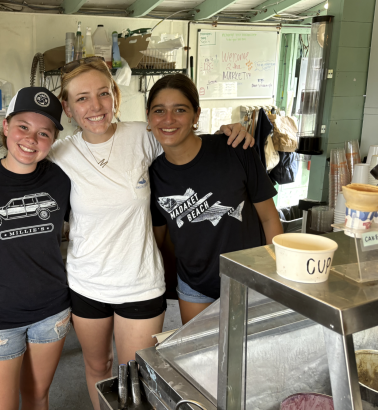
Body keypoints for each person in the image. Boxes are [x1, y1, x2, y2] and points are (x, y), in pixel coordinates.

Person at [48, 56, 255, 409]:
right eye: (82, 98)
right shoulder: (58, 154)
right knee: (98, 367)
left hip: (140, 283)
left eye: (103, 94)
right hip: (86, 284)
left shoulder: (142, 136)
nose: (95, 106)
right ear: (67, 107)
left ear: (115, 95)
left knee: (137, 376)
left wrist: (230, 131)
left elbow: (186, 139)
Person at [147, 74, 283, 325]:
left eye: (180, 109)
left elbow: (268, 216)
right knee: (200, 357)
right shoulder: (153, 175)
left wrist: (275, 273)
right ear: (148, 118)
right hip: (195, 286)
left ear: (196, 115)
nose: (168, 119)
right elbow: (160, 239)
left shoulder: (235, 148)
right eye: (159, 110)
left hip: (250, 279)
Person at [0, 87, 71, 410]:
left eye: (44, 132)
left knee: (38, 398)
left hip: (52, 310)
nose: (31, 139)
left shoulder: (62, 179)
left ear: (53, 139)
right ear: (6, 126)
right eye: (23, 127)